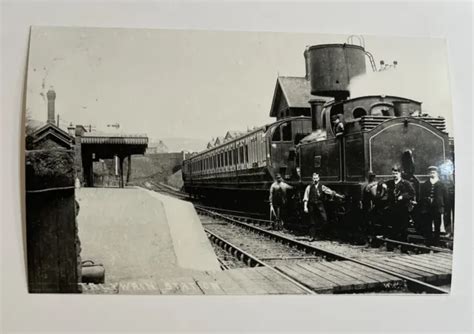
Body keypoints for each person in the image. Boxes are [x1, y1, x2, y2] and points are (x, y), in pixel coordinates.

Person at [303, 172, 344, 241]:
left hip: (319, 205)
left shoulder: (322, 186)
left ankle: (320, 234)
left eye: (316, 178)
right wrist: (305, 207)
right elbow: (305, 197)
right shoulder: (309, 187)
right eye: (314, 178)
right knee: (312, 221)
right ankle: (312, 236)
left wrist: (339, 195)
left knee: (324, 219)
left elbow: (330, 191)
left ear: (318, 179)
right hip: (312, 205)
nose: (315, 180)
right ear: (312, 179)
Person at [385, 165, 416, 241]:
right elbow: (381, 182)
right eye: (393, 173)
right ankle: (394, 242)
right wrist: (382, 185)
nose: (394, 175)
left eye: (396, 173)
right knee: (394, 225)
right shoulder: (390, 182)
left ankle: (404, 244)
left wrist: (403, 196)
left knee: (403, 226)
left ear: (400, 174)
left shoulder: (406, 183)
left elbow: (412, 193)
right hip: (393, 207)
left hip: (403, 207)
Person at [419, 166, 447, 245]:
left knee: (437, 225)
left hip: (437, 208)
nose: (432, 174)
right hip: (427, 208)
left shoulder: (442, 184)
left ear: (437, 173)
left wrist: (444, 208)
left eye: (434, 172)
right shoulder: (425, 184)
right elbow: (421, 196)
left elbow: (446, 197)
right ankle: (428, 241)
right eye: (431, 172)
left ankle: (436, 241)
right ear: (429, 173)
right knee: (428, 225)